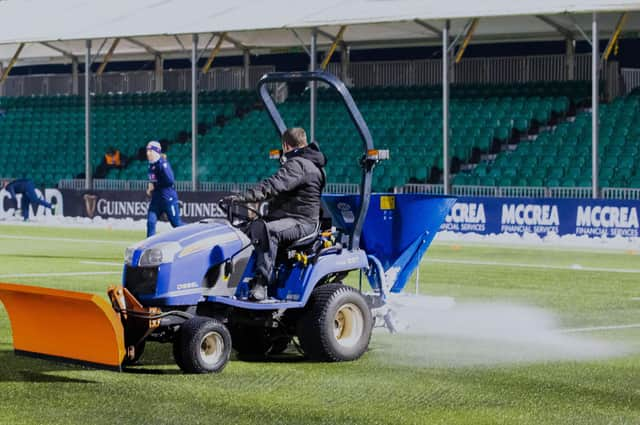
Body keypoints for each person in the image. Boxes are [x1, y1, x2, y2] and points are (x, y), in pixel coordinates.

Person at [226, 127, 326, 301]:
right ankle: (237, 279)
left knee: (267, 230)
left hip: (301, 222)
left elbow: (273, 186)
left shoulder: (299, 164)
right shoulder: (307, 163)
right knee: (247, 228)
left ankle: (262, 283)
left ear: (286, 145)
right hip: (291, 217)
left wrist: (241, 198)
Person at [145, 141, 182, 237]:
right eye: (147, 151)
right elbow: (152, 179)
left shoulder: (163, 164)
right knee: (150, 222)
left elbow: (170, 181)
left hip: (167, 198)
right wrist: (150, 186)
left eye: (150, 151)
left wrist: (156, 184)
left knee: (177, 224)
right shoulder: (151, 164)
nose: (148, 153)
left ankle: (193, 233)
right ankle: (149, 246)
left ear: (156, 151)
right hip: (156, 199)